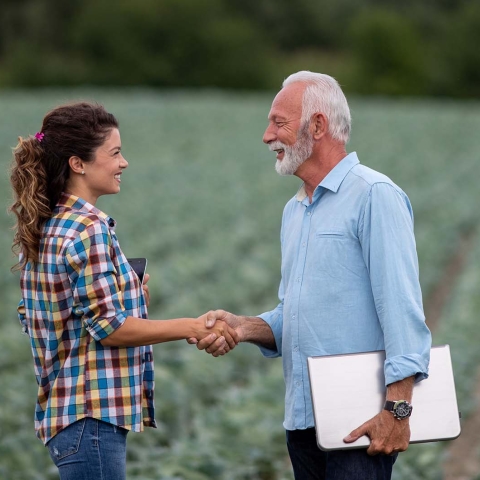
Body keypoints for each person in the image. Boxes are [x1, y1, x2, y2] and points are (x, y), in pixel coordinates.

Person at [190, 71, 432, 480]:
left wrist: (397, 410)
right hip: (303, 422)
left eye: (278, 122)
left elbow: (402, 309)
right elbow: (296, 316)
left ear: (317, 125)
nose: (268, 136)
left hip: (362, 422)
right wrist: (245, 327)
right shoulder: (295, 211)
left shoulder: (374, 195)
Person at [9, 102, 238, 480]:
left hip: (67, 416)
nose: (124, 163)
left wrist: (132, 298)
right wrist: (192, 327)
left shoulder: (50, 224)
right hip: (90, 417)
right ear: (77, 164)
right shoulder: (89, 228)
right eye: (114, 153)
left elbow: (64, 317)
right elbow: (109, 329)